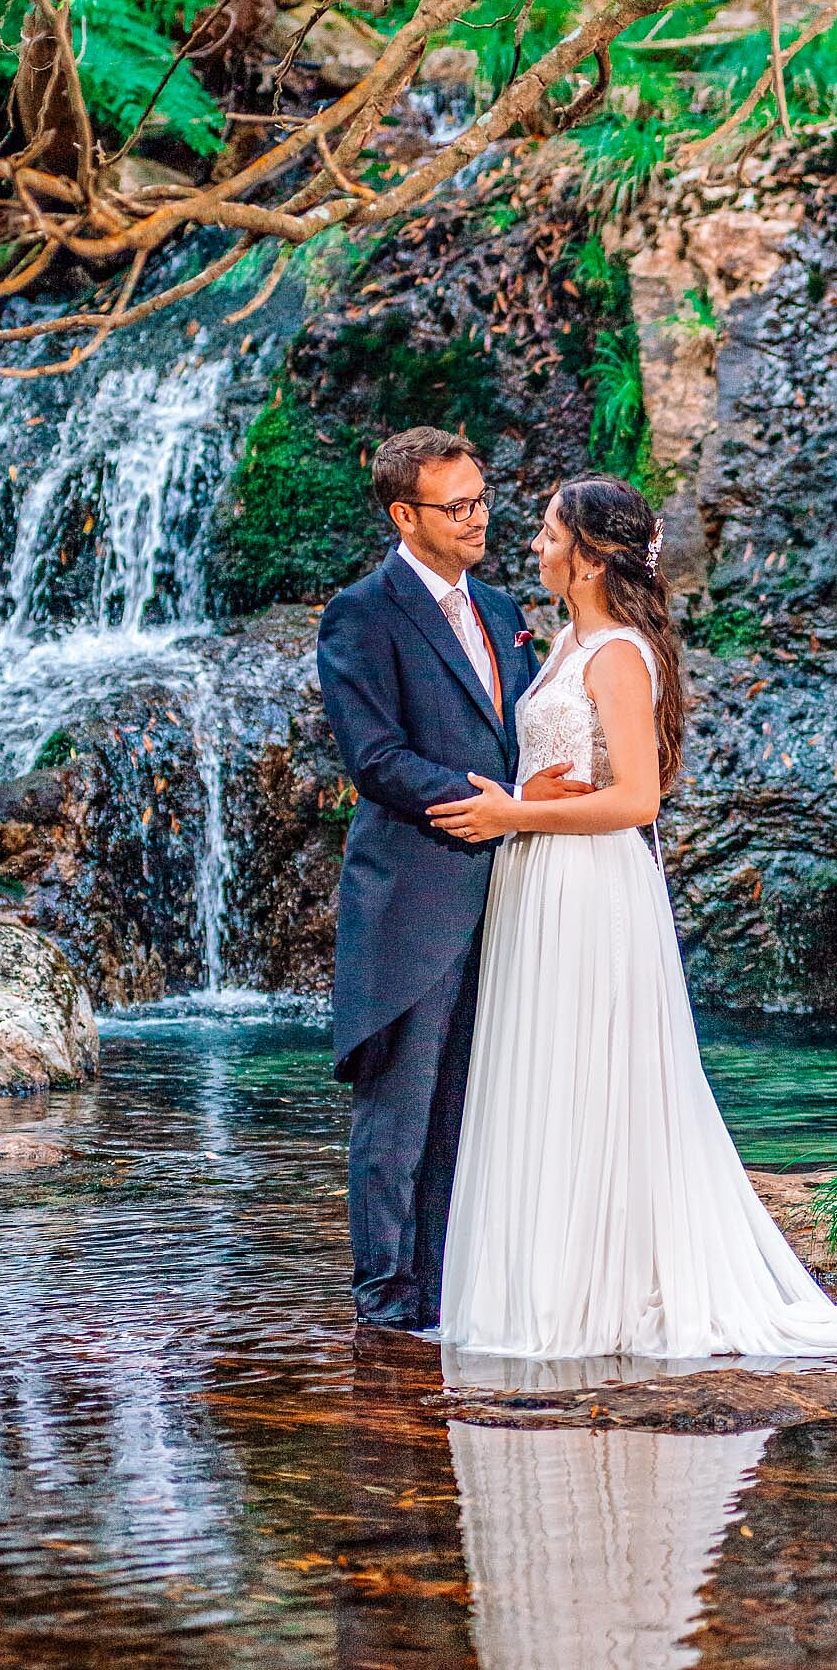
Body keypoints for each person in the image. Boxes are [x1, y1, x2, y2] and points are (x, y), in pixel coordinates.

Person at [428, 473, 837, 1359]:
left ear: (591, 558)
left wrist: (517, 815)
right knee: (546, 1071)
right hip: (541, 879)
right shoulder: (564, 643)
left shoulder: (619, 656)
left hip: (591, 885)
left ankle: (605, 1291)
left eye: (552, 535)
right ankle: (552, 1282)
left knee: (597, 1074)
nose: (535, 546)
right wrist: (523, 794)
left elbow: (637, 799)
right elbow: (579, 769)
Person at [316, 427, 590, 1332]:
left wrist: (540, 798)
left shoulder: (504, 604)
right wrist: (500, 800)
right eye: (457, 507)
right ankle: (386, 1309)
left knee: (469, 1111)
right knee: (397, 1117)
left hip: (509, 897)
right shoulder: (364, 611)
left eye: (481, 498)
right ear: (406, 515)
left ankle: (444, 1297)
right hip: (411, 896)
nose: (478, 519)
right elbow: (375, 757)